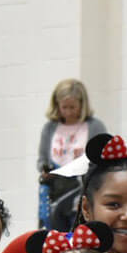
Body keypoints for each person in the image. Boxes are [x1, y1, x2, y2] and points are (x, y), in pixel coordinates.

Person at [37, 79, 107, 231]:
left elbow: (103, 158)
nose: (68, 112)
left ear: (82, 105)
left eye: (73, 107)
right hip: (56, 188)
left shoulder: (95, 126)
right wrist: (45, 170)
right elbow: (42, 159)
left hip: (82, 187)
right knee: (54, 233)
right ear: (57, 105)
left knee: (78, 230)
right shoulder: (50, 128)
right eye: (64, 107)